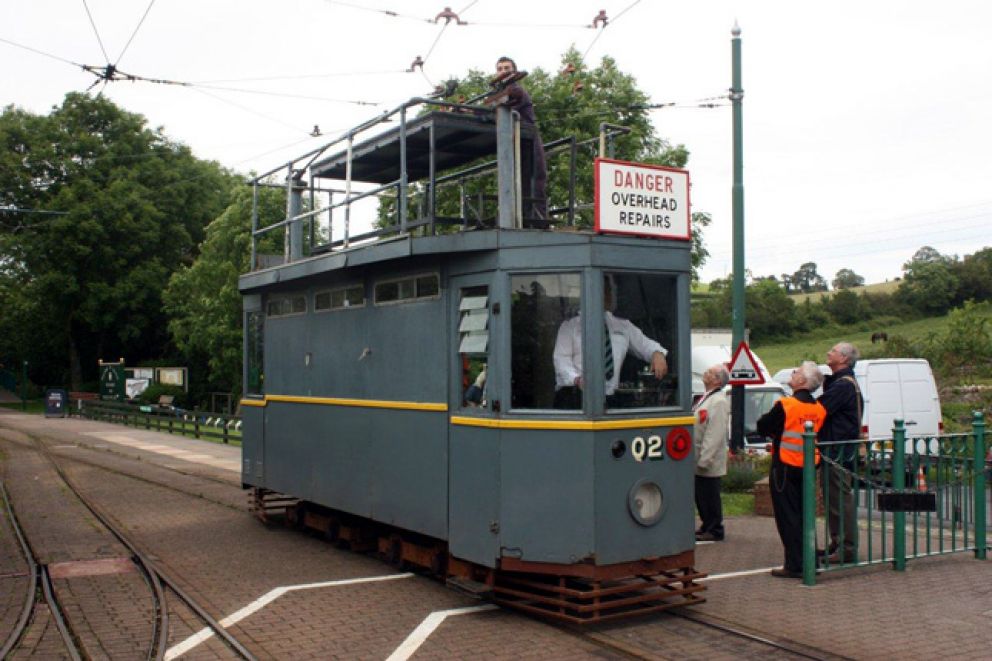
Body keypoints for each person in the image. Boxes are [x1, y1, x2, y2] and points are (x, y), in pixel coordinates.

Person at [757, 361, 827, 578]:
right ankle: (811, 560)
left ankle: (795, 564)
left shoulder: (786, 405)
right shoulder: (819, 409)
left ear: (802, 381)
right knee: (805, 515)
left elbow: (763, 426)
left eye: (797, 371)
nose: (793, 372)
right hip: (807, 467)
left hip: (785, 467)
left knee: (788, 517)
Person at [552, 277, 667, 409]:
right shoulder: (570, 325)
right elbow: (561, 360)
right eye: (604, 290)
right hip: (574, 397)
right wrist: (577, 379)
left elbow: (645, 345)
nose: (609, 295)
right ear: (589, 292)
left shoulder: (622, 325)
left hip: (610, 399)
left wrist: (657, 353)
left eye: (610, 290)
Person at [818, 342, 864, 564]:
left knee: (840, 499)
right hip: (837, 450)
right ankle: (838, 543)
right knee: (833, 499)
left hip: (837, 451)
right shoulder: (842, 383)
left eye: (833, 351)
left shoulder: (843, 385)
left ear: (844, 359)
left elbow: (819, 409)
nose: (829, 352)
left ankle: (846, 548)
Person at [494, 56, 548, 226]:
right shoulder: (499, 94)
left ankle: (538, 220)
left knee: (534, 180)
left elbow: (503, 111)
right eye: (500, 68)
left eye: (506, 68)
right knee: (515, 181)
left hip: (529, 140)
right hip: (514, 143)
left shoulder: (517, 91)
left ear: (514, 71)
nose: (503, 71)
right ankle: (518, 219)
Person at [694, 364, 730, 542]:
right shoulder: (707, 398)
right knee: (701, 494)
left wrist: (705, 459)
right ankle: (706, 524)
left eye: (709, 372)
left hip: (708, 459)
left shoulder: (719, 402)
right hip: (699, 457)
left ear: (717, 379)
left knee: (709, 494)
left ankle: (715, 528)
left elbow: (714, 434)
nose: (705, 373)